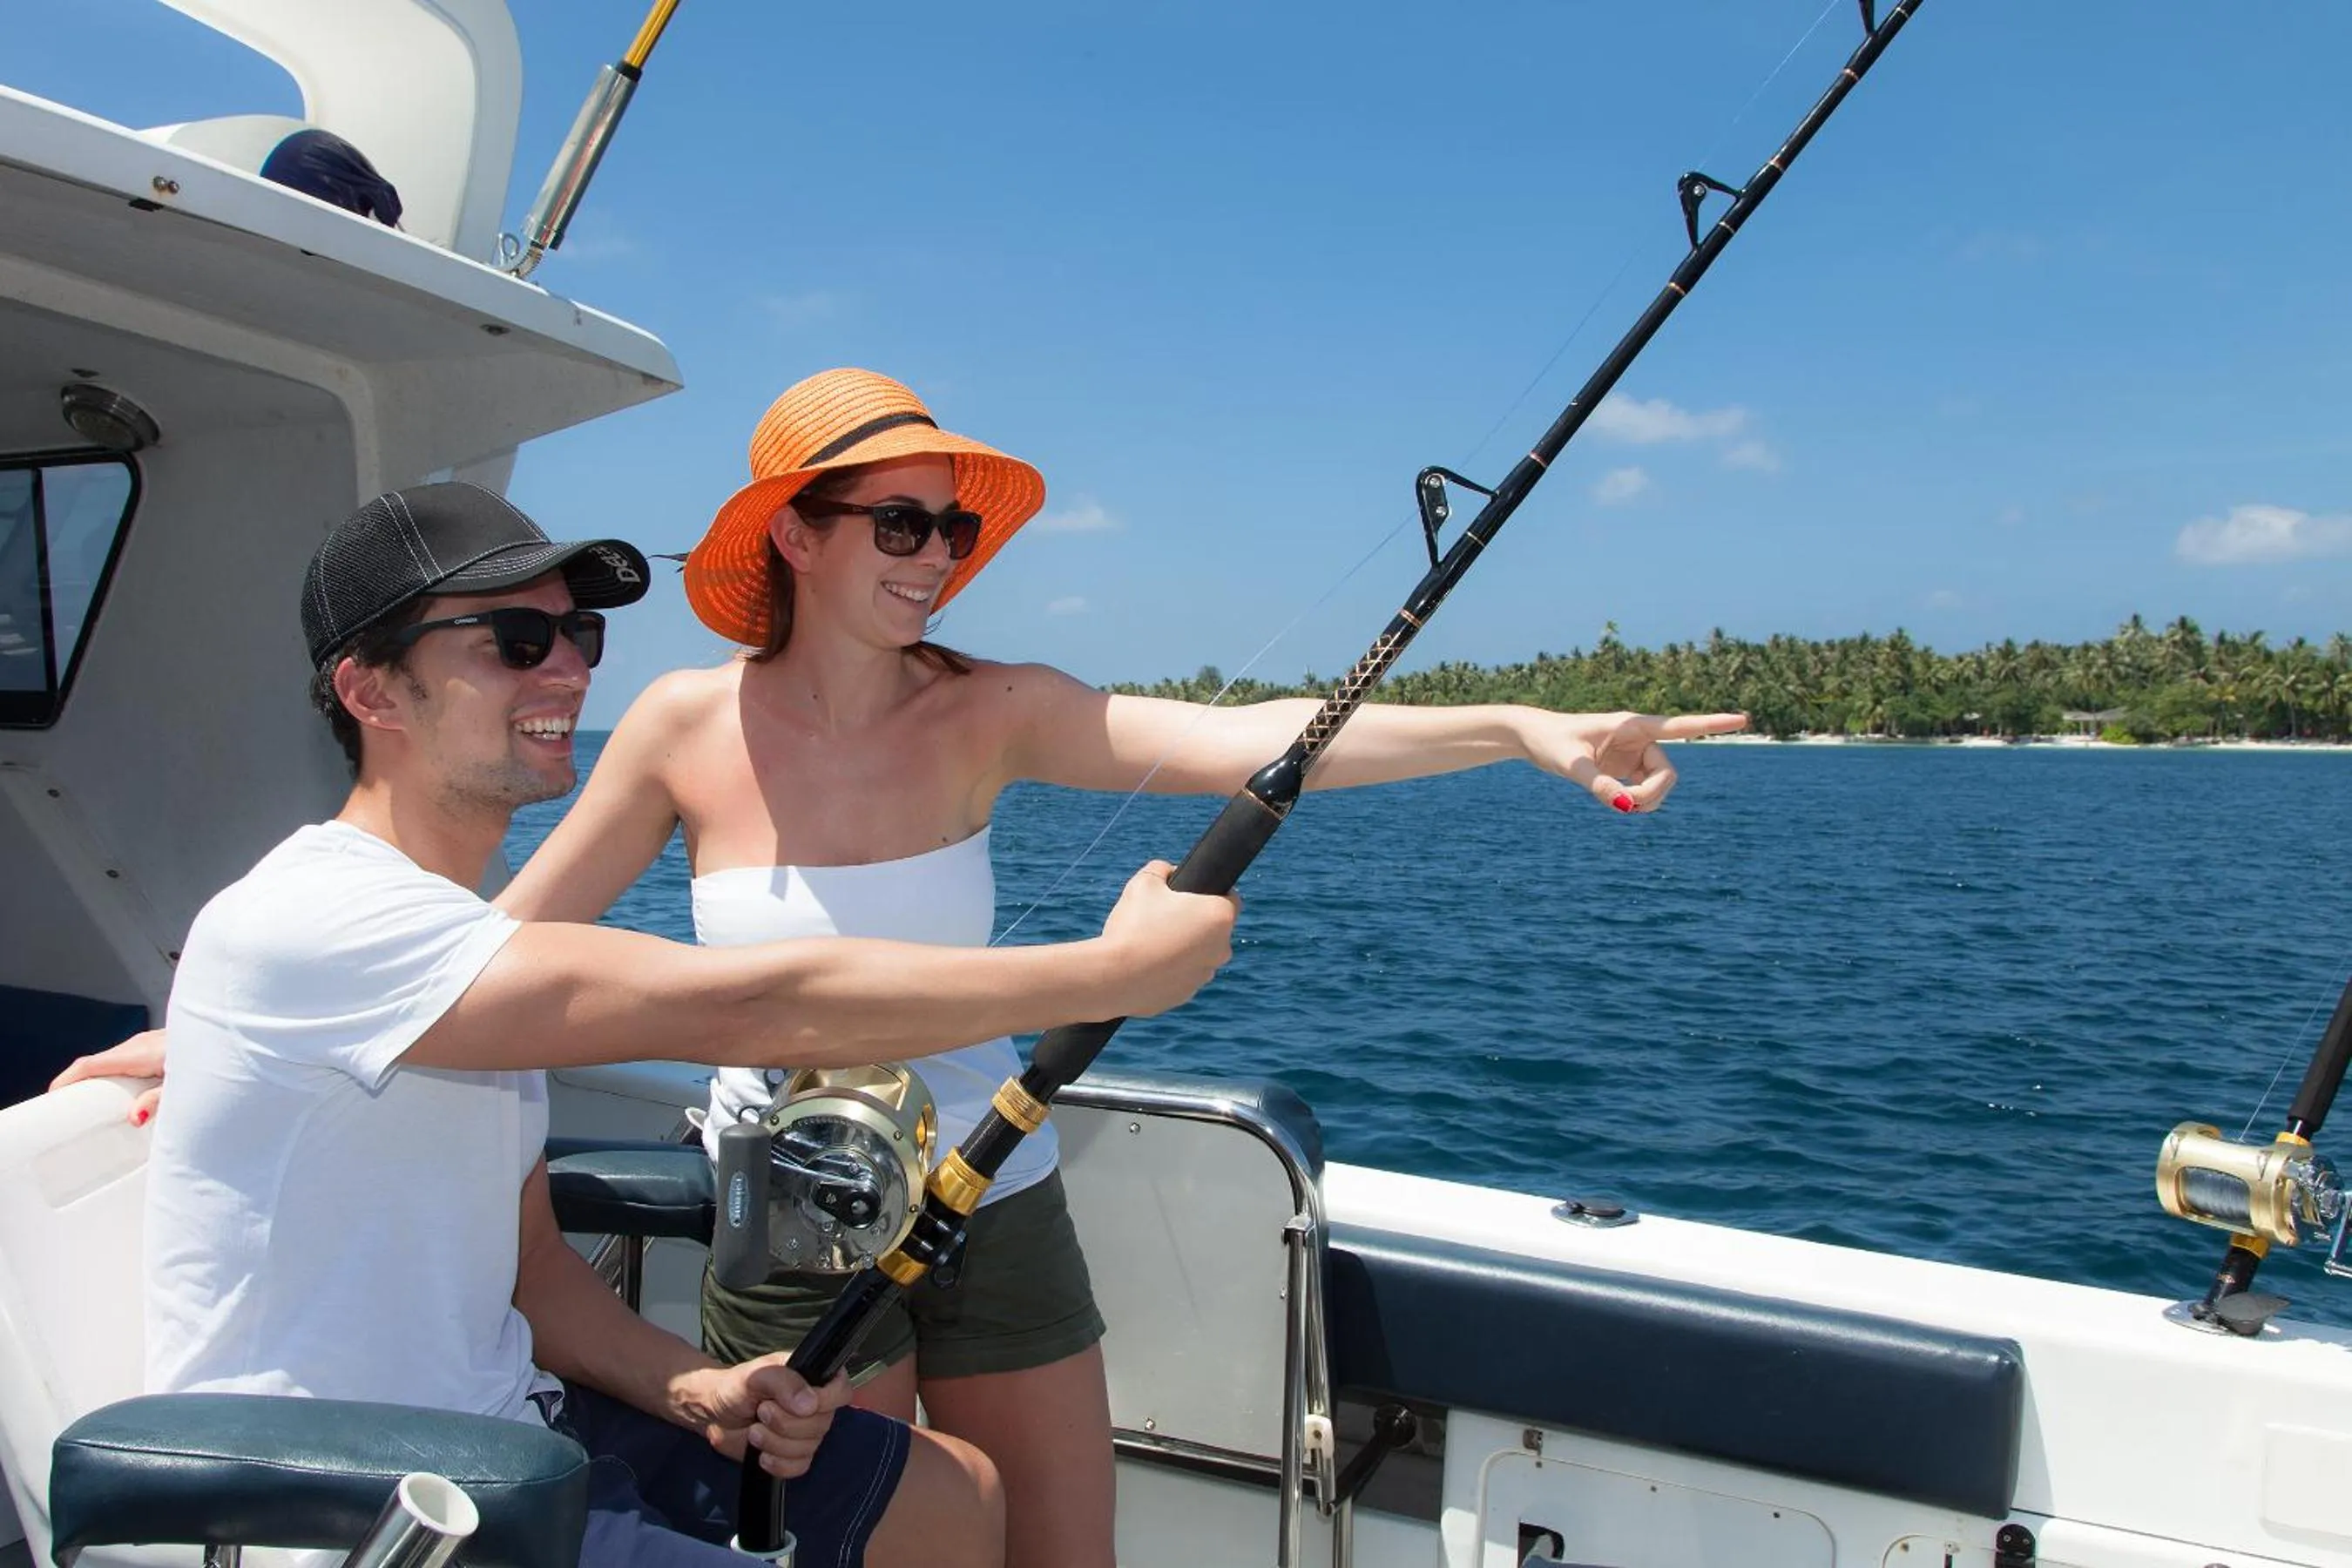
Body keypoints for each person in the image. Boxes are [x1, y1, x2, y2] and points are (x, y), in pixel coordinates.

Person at [489, 368, 1748, 1568]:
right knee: (861, 1547)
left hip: (999, 1195)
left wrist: (1519, 729)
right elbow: (502, 961)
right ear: (796, 537)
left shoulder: (994, 706)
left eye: (954, 529)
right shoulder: (678, 727)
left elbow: (1247, 737)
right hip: (794, 1230)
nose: (937, 557)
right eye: (901, 525)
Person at [122, 481, 1238, 1568]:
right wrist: (1112, 974)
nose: (567, 668)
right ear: (370, 693)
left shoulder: (453, 945)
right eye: (514, 640)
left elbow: (535, 1271)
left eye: (578, 634)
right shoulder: (317, 917)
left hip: (523, 1429)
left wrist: (695, 1390)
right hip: (349, 1494)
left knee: (956, 1493)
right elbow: (755, 1002)